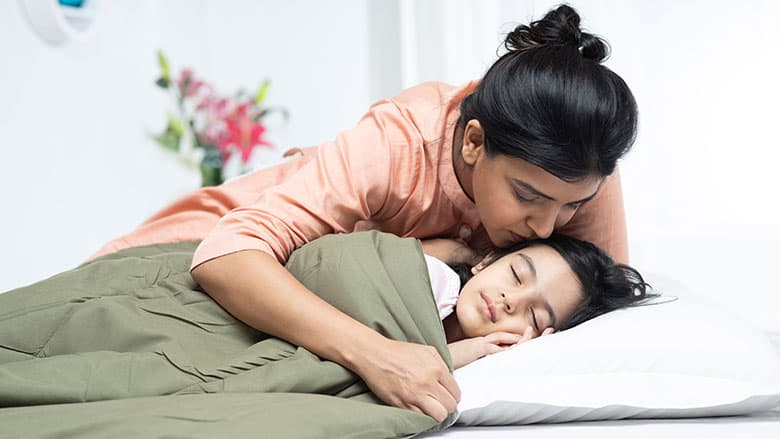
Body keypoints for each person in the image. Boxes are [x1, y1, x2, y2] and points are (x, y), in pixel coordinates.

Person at [89, 5, 638, 421]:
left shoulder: (577, 168)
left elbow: (601, 304)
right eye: (527, 196)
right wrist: (377, 354)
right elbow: (227, 254)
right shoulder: (399, 144)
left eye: (572, 206)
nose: (545, 228)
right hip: (200, 250)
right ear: (473, 142)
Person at [435, 233, 648, 370]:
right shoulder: (429, 275)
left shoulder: (483, 371)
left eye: (535, 316)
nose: (511, 300)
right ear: (487, 261)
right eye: (516, 274)